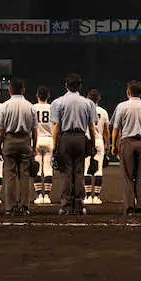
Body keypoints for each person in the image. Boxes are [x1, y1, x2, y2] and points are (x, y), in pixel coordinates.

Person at [110, 81, 141, 216]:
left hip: (127, 143)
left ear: (128, 93)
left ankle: (129, 206)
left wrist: (113, 145)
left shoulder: (122, 106)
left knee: (128, 176)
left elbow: (116, 128)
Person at [50, 73, 97, 216]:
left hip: (65, 138)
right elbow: (91, 127)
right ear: (80, 86)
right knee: (79, 172)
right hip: (81, 138)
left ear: (66, 86)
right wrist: (93, 144)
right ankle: (79, 205)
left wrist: (54, 145)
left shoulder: (58, 102)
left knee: (66, 173)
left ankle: (65, 206)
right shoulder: (88, 103)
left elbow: (57, 126)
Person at [0, 77, 36, 215]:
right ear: (23, 90)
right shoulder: (30, 106)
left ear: (10, 90)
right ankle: (24, 206)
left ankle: (10, 207)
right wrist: (33, 147)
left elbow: (1, 129)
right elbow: (34, 130)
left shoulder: (4, 106)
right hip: (25, 140)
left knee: (10, 175)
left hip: (10, 140)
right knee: (25, 175)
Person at [84, 89, 110, 205]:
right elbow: (106, 131)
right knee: (98, 170)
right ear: (98, 99)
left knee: (87, 169)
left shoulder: (85, 110)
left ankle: (88, 196)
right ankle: (97, 197)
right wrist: (107, 144)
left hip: (88, 141)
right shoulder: (103, 111)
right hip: (99, 141)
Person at [32, 86, 54, 204]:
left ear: (37, 95)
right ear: (48, 96)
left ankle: (40, 195)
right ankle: (47, 196)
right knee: (48, 168)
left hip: (37, 139)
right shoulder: (52, 108)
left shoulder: (33, 108)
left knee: (37, 168)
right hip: (49, 139)